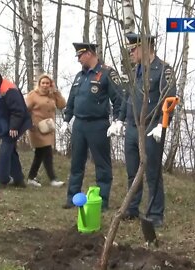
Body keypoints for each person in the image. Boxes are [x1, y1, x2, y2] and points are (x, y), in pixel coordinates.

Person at [112, 33, 177, 227]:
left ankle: (155, 214)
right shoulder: (136, 70)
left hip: (151, 127)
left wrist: (162, 124)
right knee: (133, 171)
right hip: (132, 127)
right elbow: (127, 97)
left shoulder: (163, 70)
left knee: (152, 172)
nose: (131, 53)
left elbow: (170, 99)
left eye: (133, 49)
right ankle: (132, 208)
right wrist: (119, 120)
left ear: (145, 47)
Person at [60, 43, 122, 210]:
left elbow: (118, 99)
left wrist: (117, 120)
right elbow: (72, 99)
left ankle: (102, 201)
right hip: (79, 124)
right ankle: (72, 197)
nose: (79, 60)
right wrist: (66, 120)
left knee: (102, 164)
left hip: (98, 124)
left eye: (80, 56)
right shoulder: (80, 76)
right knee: (76, 163)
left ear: (88, 54)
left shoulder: (107, 73)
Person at [0, 64, 32, 188]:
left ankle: (2, 179)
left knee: (4, 151)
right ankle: (19, 180)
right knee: (11, 152)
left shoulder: (8, 88)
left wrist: (14, 126)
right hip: (2, 126)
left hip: (14, 125)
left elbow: (18, 110)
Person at [25, 74, 66, 187]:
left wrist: (56, 92)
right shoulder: (33, 95)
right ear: (39, 84)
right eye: (43, 83)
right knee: (46, 152)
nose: (45, 85)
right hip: (36, 128)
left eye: (47, 83)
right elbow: (24, 110)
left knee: (40, 153)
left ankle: (31, 178)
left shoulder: (52, 95)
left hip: (48, 129)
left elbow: (62, 105)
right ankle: (52, 179)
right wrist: (29, 124)